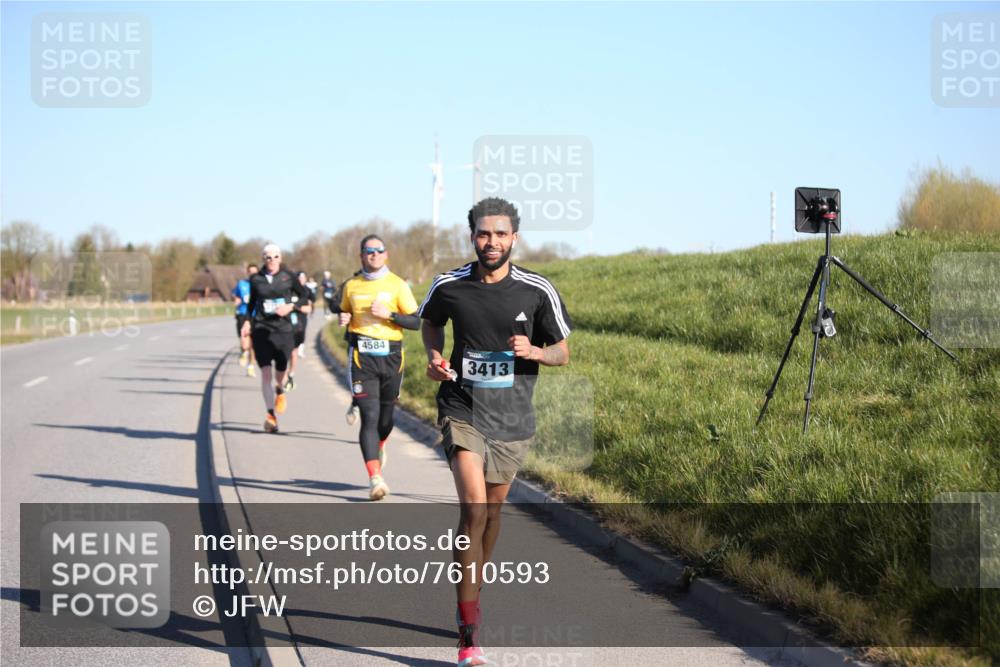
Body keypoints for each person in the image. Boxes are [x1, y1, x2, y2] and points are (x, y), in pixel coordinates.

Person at [419, 197, 570, 667]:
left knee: (493, 510)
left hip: (511, 417)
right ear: (473, 237)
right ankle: (468, 635)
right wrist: (435, 358)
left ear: (514, 239)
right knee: (474, 509)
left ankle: (473, 587)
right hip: (462, 407)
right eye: (484, 234)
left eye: (501, 234)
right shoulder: (450, 285)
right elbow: (430, 323)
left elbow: (563, 351)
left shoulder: (536, 290)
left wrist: (536, 353)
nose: (492, 242)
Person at [339, 235, 420, 500]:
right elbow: (342, 310)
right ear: (361, 256)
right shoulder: (351, 285)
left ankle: (381, 444)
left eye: (378, 250)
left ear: (386, 255)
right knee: (369, 416)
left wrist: (390, 315)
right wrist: (344, 317)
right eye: (368, 251)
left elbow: (416, 321)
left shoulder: (397, 285)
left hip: (392, 356)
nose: (373, 254)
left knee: (385, 419)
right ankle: (375, 478)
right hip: (362, 357)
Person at [241, 244, 311, 433]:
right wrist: (247, 322)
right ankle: (270, 414)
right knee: (265, 373)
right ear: (263, 259)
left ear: (280, 258)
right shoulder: (256, 279)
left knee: (281, 369)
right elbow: (251, 305)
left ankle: (279, 388)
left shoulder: (289, 277)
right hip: (262, 329)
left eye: (275, 257)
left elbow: (304, 297)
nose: (271, 260)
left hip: (284, 329)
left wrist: (290, 306)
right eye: (267, 257)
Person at [285, 271, 317, 390]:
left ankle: (291, 375)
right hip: (285, 326)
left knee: (293, 353)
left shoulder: (305, 292)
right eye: (299, 278)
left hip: (299, 325)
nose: (301, 280)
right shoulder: (287, 291)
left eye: (303, 277)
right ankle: (283, 376)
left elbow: (309, 308)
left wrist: (295, 307)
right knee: (284, 353)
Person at [232, 264, 258, 377]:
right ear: (247, 273)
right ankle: (244, 351)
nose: (252, 274)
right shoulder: (242, 284)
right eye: (250, 272)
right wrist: (236, 299)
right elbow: (234, 295)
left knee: (254, 344)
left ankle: (251, 366)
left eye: (254, 272)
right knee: (244, 339)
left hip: (256, 316)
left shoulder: (261, 285)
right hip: (243, 313)